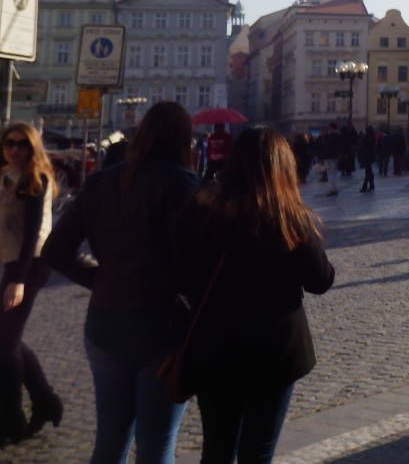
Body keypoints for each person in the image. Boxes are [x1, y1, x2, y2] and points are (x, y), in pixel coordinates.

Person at [43, 100, 200, 463]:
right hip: (163, 329)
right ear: (184, 140)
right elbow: (198, 263)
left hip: (106, 323)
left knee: (110, 442)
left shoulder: (102, 182)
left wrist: (101, 278)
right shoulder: (184, 185)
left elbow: (54, 252)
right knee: (156, 445)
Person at [178, 128, 335, 464]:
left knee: (216, 450)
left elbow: (181, 273)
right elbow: (320, 280)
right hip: (272, 353)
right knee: (257, 452)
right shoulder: (287, 218)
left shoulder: (202, 210)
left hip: (215, 347)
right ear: (284, 168)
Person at [0, 122, 60, 445]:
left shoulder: (35, 179)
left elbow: (32, 232)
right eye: (9, 143)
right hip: (11, 262)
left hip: (30, 265)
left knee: (5, 345)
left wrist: (18, 281)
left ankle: (11, 419)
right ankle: (46, 401)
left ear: (32, 146)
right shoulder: (6, 175)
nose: (14, 149)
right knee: (8, 339)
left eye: (21, 144)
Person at [316, 125, 341, 197]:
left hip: (329, 158)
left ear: (331, 128)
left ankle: (332, 190)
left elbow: (328, 148)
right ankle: (335, 189)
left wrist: (323, 157)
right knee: (334, 174)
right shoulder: (338, 135)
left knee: (331, 175)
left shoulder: (331, 137)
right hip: (335, 157)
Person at [357, 125, 376, 193]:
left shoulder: (366, 138)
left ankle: (366, 187)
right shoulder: (372, 137)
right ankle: (370, 186)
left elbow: (362, 147)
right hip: (369, 158)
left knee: (368, 173)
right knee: (369, 172)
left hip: (366, 157)